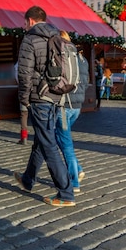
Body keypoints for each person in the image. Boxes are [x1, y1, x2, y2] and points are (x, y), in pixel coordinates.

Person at [13, 6, 76, 207]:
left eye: (24, 23)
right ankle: (28, 179)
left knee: (48, 143)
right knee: (42, 139)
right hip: (56, 95)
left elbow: (24, 74)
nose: (23, 27)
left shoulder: (30, 39)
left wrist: (24, 99)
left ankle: (66, 193)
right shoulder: (56, 36)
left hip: (38, 97)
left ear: (30, 21)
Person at [55, 31, 88, 193]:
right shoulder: (81, 58)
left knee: (66, 143)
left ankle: (74, 181)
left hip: (64, 104)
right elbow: (86, 81)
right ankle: (78, 169)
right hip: (77, 106)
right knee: (61, 138)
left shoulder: (63, 56)